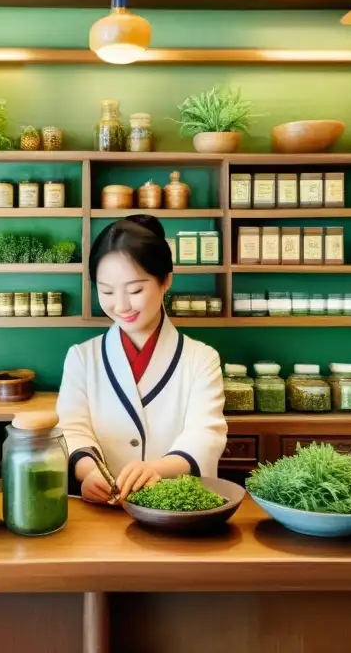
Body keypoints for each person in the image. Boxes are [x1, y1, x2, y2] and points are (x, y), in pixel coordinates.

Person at [57, 214, 227, 504]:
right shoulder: (82, 358)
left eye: (135, 290)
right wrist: (89, 474)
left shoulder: (201, 359)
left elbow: (205, 434)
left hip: (176, 510)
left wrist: (156, 470)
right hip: (105, 511)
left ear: (166, 281)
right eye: (107, 291)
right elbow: (72, 429)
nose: (121, 306)